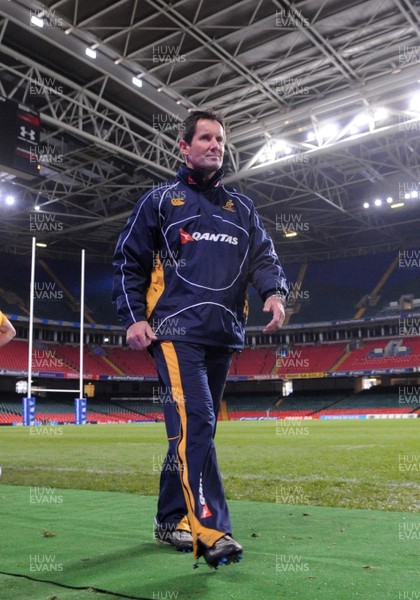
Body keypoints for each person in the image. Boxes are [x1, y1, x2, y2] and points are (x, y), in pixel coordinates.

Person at [113, 109, 288, 569]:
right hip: (173, 332)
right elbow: (129, 262)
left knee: (190, 432)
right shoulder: (159, 201)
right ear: (184, 147)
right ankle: (210, 529)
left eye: (221, 140)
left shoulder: (242, 209)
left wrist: (273, 293)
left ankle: (170, 519)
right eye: (206, 138)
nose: (215, 145)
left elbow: (264, 257)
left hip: (223, 334)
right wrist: (134, 318)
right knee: (200, 421)